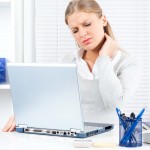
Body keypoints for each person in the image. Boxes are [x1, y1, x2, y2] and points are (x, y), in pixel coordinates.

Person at [2, 0, 140, 132]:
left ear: (103, 20)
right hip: (72, 138)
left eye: (87, 24)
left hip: (110, 141)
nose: (82, 34)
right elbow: (54, 102)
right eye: (75, 30)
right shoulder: (69, 61)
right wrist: (26, 116)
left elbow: (113, 104)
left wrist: (104, 58)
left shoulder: (127, 62)